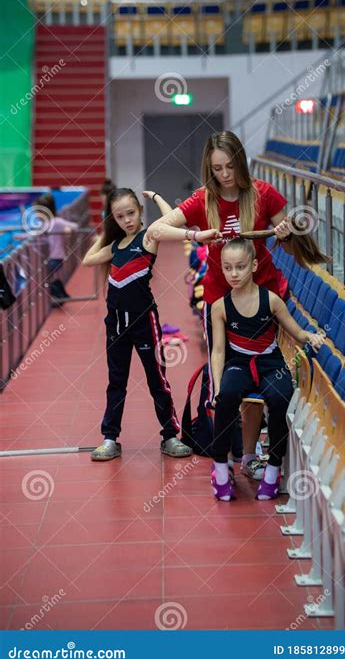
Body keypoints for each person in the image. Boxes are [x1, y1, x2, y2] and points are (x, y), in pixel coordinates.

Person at [144, 130, 294, 481]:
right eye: (217, 169)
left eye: (230, 166)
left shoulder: (263, 194)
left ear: (240, 162)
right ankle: (227, 453)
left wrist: (287, 234)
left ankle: (252, 453)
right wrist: (196, 236)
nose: (225, 174)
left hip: (263, 299)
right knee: (228, 376)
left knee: (258, 378)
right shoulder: (202, 200)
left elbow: (290, 243)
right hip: (221, 302)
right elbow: (155, 230)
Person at [82, 187, 220, 461]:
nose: (127, 220)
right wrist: (107, 228)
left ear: (140, 212)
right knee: (116, 382)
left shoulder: (149, 238)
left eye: (131, 213)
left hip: (145, 321)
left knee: (157, 379)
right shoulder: (113, 247)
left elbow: (172, 220)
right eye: (119, 217)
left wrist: (157, 196)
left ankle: (170, 435)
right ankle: (110, 438)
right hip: (116, 325)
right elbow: (88, 260)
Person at [210, 238, 325, 501]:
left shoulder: (271, 300)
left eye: (240, 267)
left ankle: (273, 470)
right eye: (228, 268)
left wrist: (312, 337)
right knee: (226, 397)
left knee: (279, 396)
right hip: (238, 363)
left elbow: (296, 332)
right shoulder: (220, 307)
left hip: (270, 363)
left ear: (253, 265)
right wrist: (217, 386)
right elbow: (218, 350)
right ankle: (220, 470)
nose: (234, 274)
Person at [37, 193, 79, 304]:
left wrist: (67, 230)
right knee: (51, 278)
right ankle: (62, 296)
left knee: (48, 278)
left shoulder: (56, 222)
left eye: (38, 211)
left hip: (56, 256)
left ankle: (60, 297)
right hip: (52, 256)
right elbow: (34, 234)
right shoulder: (45, 224)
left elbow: (74, 226)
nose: (36, 214)